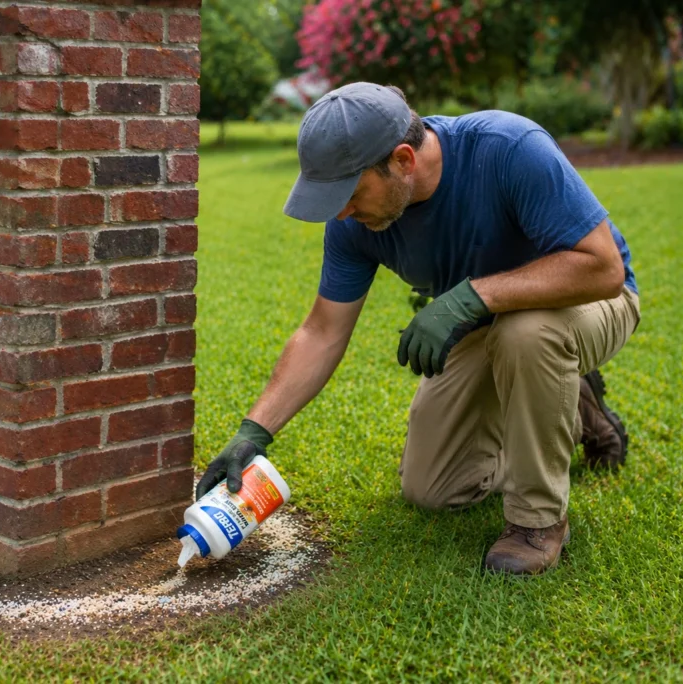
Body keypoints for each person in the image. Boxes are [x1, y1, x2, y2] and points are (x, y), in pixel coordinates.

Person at [195, 82, 640, 576]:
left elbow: (602, 270)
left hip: (586, 302)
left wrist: (473, 296)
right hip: (483, 325)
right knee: (432, 488)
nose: (341, 212)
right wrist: (252, 433)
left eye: (349, 193)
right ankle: (572, 406)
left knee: (527, 335)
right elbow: (323, 332)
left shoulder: (509, 148)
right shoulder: (353, 224)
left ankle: (537, 523)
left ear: (403, 160)